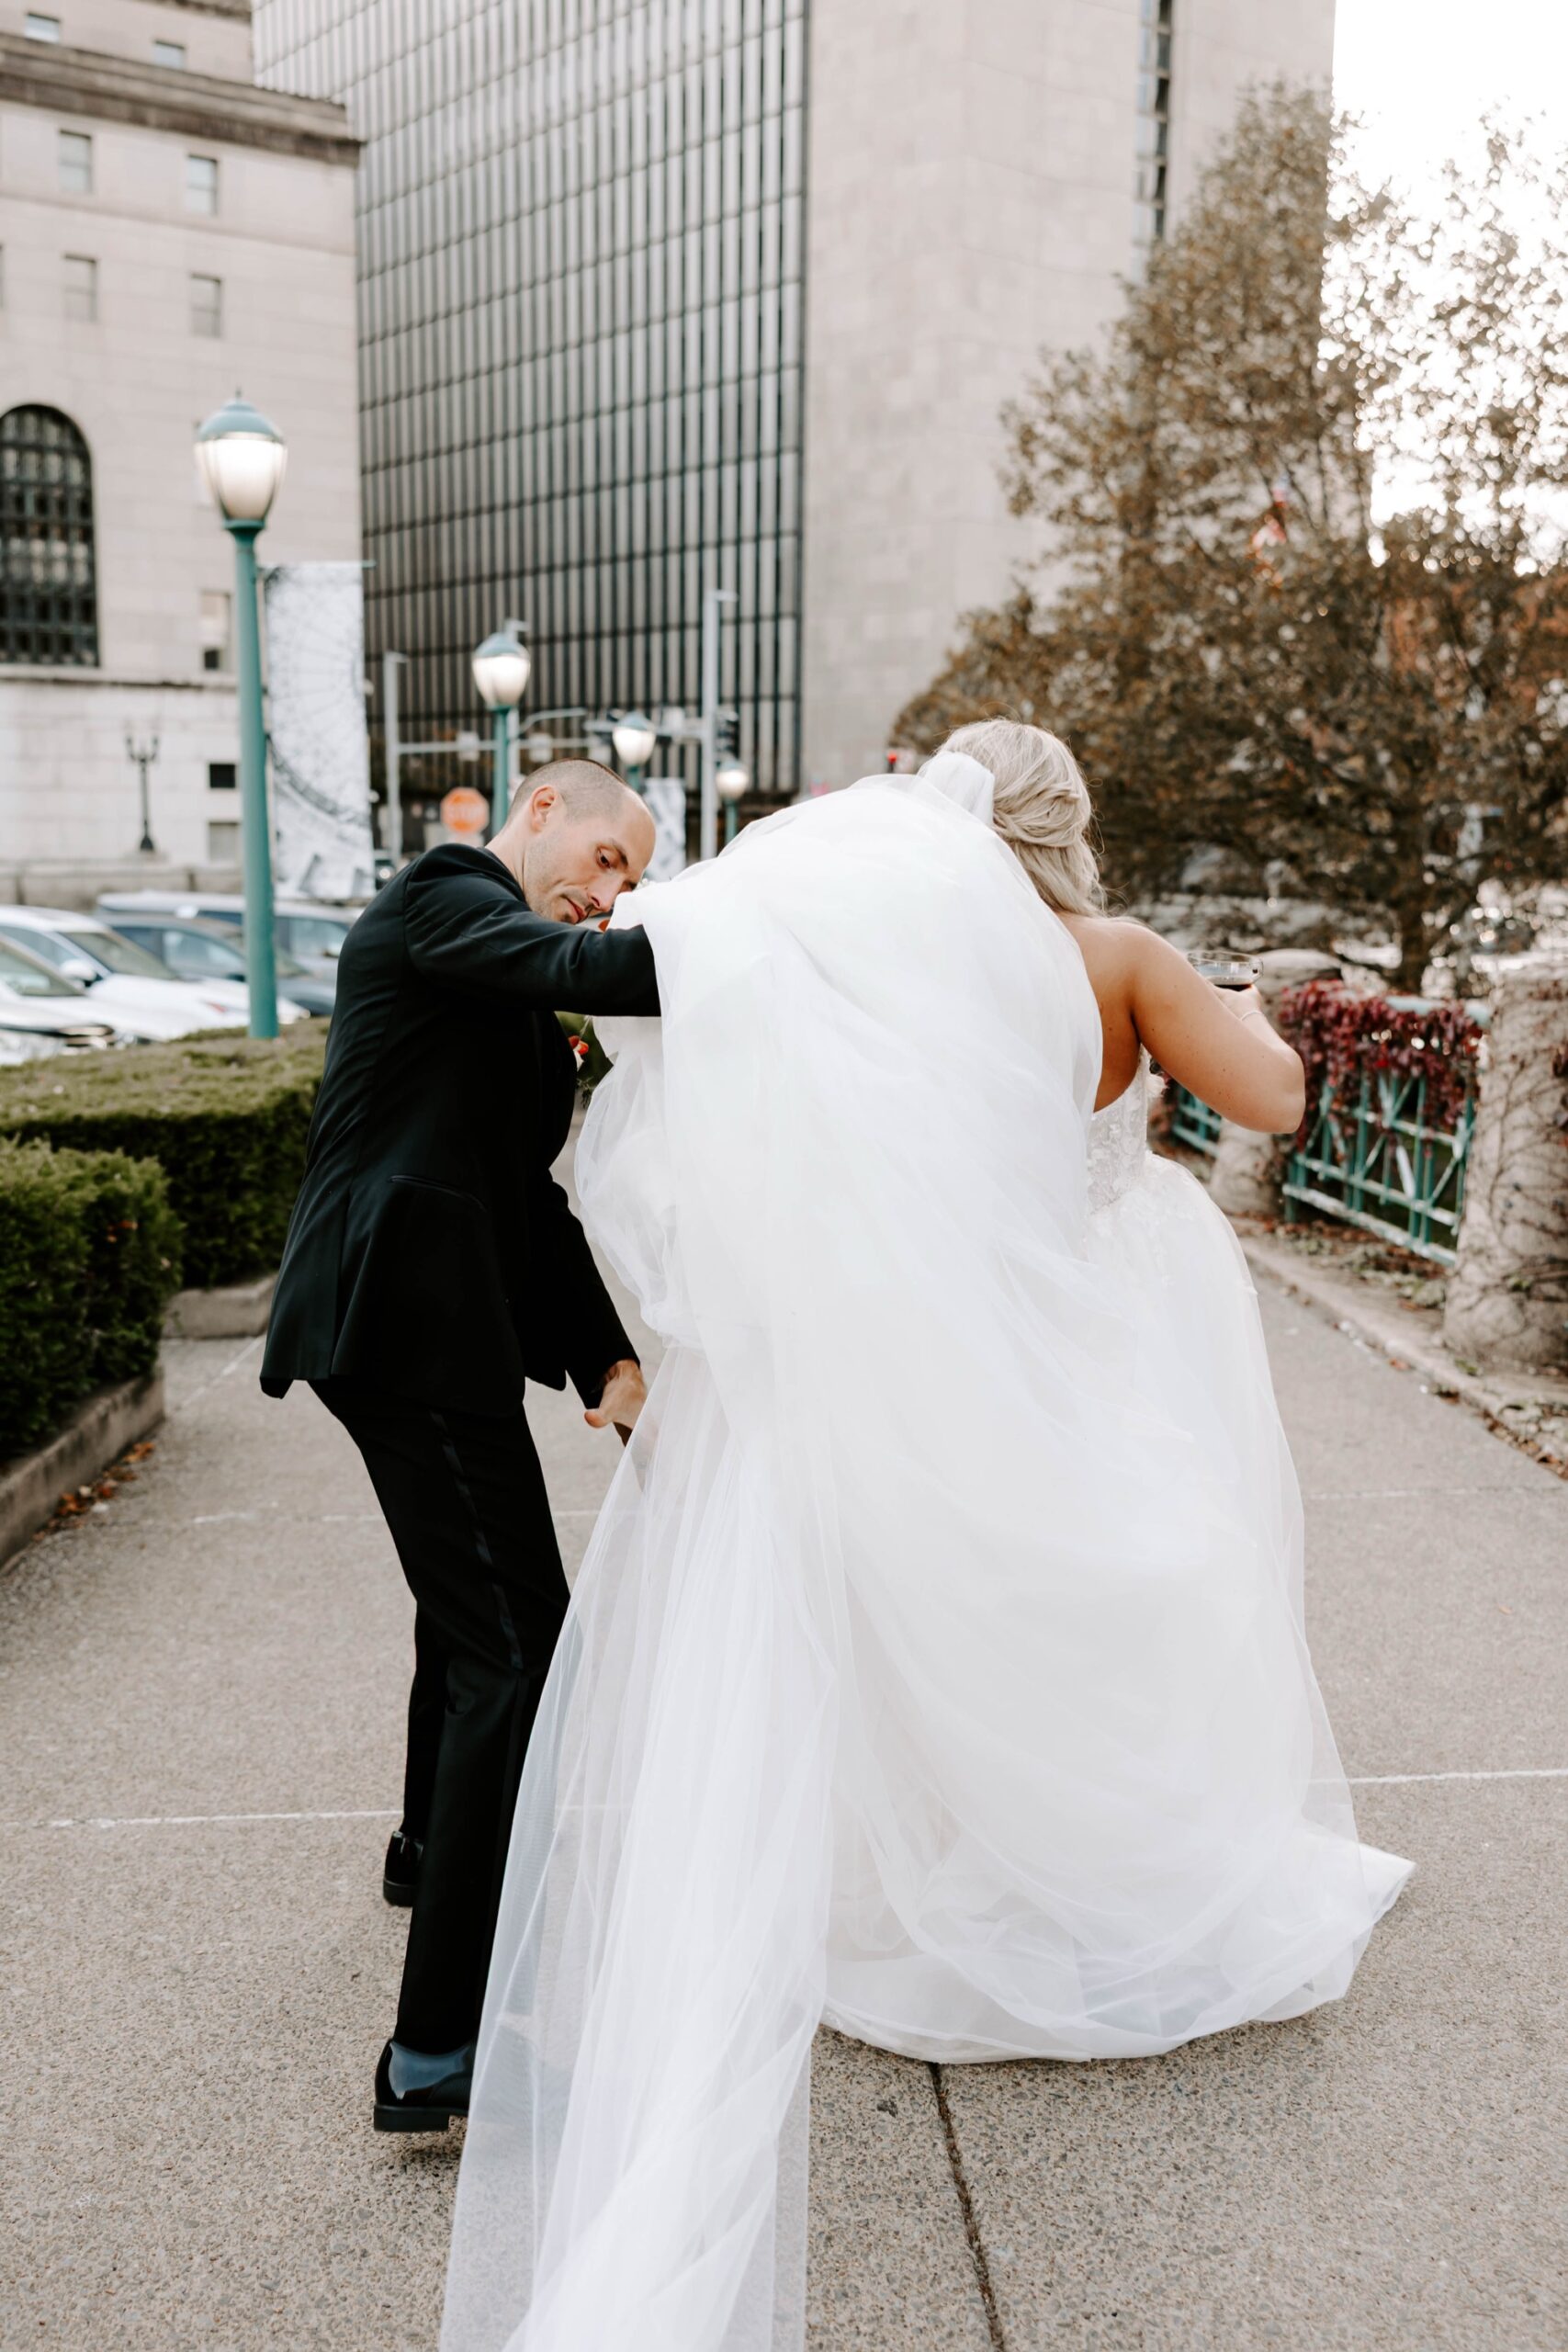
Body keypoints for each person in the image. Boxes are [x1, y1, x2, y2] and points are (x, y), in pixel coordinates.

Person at [441, 727, 1411, 2352]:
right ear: (1071, 826)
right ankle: (1116, 1887)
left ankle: (958, 1884)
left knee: (956, 1600)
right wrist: (1235, 1006)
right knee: (1141, 1586)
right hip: (1110, 1318)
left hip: (943, 1343)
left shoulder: (867, 965)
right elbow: (1280, 1099)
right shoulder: (1112, 957)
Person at [259, 761, 661, 2132]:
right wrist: (752, 954)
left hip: (427, 1321)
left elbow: (523, 1200)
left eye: (628, 885)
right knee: (518, 1644)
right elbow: (574, 964)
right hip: (403, 1315)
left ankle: (431, 1849)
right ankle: (437, 2050)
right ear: (540, 811)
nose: (607, 898)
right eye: (606, 860)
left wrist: (609, 1359)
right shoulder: (448, 892)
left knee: (469, 1618)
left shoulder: (503, 989)